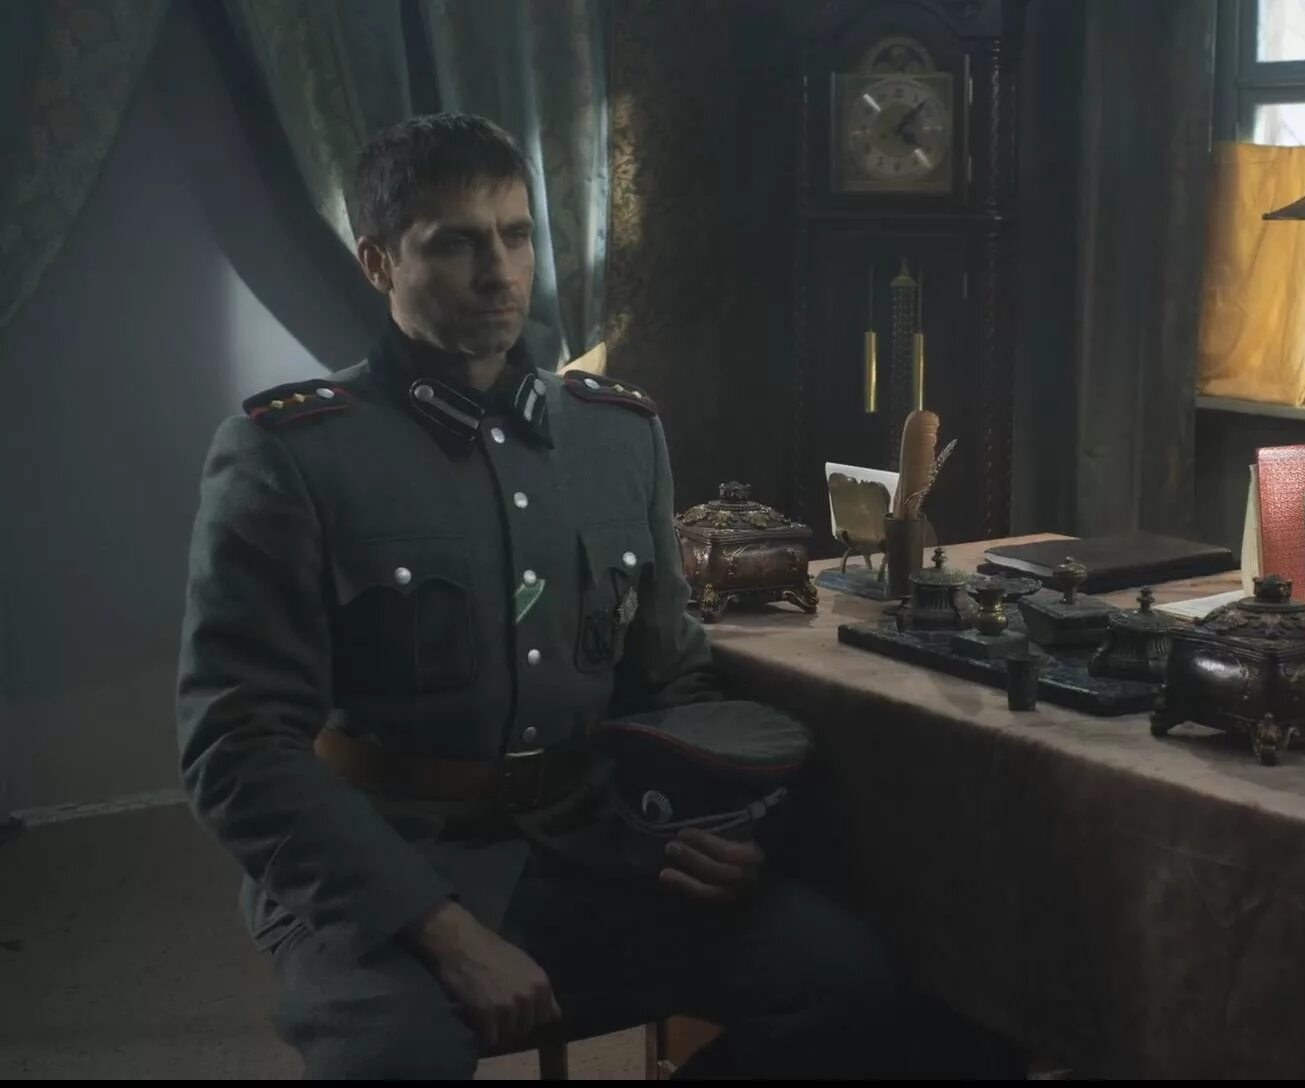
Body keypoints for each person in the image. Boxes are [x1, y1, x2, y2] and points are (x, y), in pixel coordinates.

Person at [176, 113, 901, 1078]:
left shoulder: (618, 434)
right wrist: (441, 930)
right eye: (456, 243)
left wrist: (716, 825)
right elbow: (236, 747)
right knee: (389, 1056)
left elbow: (669, 682)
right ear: (378, 263)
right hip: (389, 860)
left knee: (844, 976)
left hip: (594, 843)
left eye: (516, 236)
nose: (500, 272)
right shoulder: (293, 454)